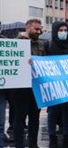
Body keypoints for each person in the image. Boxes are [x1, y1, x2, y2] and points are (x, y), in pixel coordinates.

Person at [9, 19, 45, 148]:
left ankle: (33, 144)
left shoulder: (41, 44)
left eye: (40, 29)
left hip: (35, 87)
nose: (39, 32)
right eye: (36, 29)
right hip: (20, 89)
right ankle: (19, 145)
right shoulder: (16, 43)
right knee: (20, 118)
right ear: (27, 28)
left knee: (35, 118)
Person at [45, 21, 68, 148]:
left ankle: (67, 137)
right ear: (55, 31)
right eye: (60, 30)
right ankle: (52, 138)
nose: (63, 32)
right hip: (53, 84)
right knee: (53, 112)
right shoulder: (48, 45)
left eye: (65, 30)